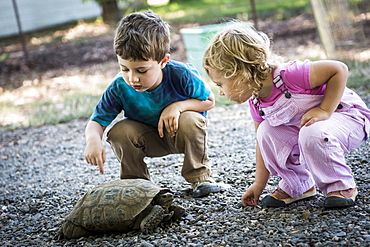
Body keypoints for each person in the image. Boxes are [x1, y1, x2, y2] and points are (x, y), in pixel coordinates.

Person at [203, 22, 370, 208]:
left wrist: (324, 109)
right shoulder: (256, 101)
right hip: (315, 127)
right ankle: (298, 185)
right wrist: (259, 184)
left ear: (241, 75)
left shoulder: (289, 75)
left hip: (348, 118)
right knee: (266, 132)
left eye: (220, 84)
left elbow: (339, 69)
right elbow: (262, 143)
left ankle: (340, 185)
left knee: (311, 131)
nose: (221, 92)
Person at [84, 10, 222, 198]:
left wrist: (177, 107)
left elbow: (209, 101)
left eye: (142, 70)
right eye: (124, 68)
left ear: (163, 61)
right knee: (119, 130)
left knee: (191, 119)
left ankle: (200, 178)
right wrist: (93, 140)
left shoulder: (181, 74)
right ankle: (138, 186)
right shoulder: (119, 86)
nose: (132, 78)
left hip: (178, 133)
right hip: (147, 139)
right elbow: (97, 122)